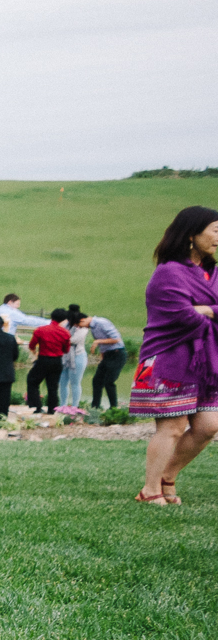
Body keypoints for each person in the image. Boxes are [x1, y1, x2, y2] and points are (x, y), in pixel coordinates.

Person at [131, 205, 218, 504]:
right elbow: (183, 317)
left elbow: (199, 314)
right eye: (215, 230)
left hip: (206, 361)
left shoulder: (213, 273)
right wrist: (209, 314)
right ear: (191, 234)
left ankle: (167, 475)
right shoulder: (168, 273)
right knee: (172, 426)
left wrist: (208, 309)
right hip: (168, 357)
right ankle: (150, 489)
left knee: (208, 426)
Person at [26, 310, 70, 411]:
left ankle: (36, 406)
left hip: (43, 359)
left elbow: (31, 345)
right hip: (57, 361)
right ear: (63, 320)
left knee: (32, 381)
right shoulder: (65, 333)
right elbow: (66, 350)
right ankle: (52, 409)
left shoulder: (40, 330)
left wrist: (35, 353)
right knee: (53, 386)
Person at [85, 311, 126, 409]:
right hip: (107, 355)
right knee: (97, 381)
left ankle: (113, 408)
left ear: (84, 320)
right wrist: (102, 356)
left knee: (109, 381)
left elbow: (116, 339)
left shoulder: (102, 322)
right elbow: (103, 345)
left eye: (80, 324)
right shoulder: (93, 328)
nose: (82, 327)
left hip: (117, 353)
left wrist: (98, 341)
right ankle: (95, 407)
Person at [60, 301, 90, 408]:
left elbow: (74, 340)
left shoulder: (83, 328)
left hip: (78, 356)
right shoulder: (65, 325)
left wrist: (61, 338)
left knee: (75, 383)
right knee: (62, 382)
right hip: (64, 356)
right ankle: (62, 405)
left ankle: (74, 406)